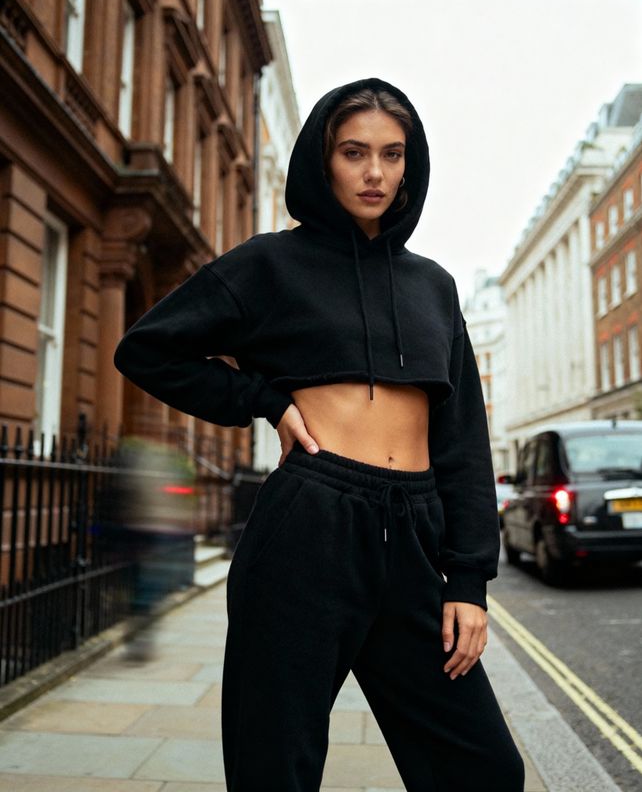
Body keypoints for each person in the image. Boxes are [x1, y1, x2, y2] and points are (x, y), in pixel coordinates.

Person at [113, 77, 525, 792]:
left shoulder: (433, 287)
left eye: (392, 154)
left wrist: (468, 581)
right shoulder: (269, 264)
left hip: (414, 535)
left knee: (484, 768)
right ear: (323, 160)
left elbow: (462, 441)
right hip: (308, 527)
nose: (375, 173)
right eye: (354, 152)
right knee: (275, 765)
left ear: (410, 165)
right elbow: (147, 349)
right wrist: (264, 400)